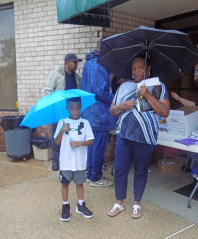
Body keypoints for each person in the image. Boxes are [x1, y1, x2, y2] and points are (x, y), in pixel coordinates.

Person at [108, 55, 170, 219]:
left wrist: (148, 95)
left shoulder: (159, 86)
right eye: (134, 68)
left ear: (148, 69)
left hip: (146, 137)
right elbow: (112, 110)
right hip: (124, 135)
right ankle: (119, 202)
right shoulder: (124, 87)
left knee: (141, 171)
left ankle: (137, 203)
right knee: (120, 169)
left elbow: (164, 112)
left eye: (141, 67)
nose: (136, 71)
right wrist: (121, 106)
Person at [54, 97, 94, 222]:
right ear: (67, 108)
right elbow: (56, 141)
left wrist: (79, 144)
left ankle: (80, 205)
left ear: (80, 107)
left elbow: (91, 140)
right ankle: (66, 206)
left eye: (77, 108)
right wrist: (62, 130)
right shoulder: (62, 122)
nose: (75, 111)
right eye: (72, 108)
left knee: (79, 182)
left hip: (79, 161)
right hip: (66, 161)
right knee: (65, 183)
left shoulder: (85, 123)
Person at [81, 50, 114, 187]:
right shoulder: (100, 65)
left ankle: (90, 174)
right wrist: (115, 98)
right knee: (99, 146)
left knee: (91, 145)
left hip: (88, 110)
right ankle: (96, 177)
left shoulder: (88, 63)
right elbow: (99, 91)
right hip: (99, 113)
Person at [44, 53, 82, 171]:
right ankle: (56, 161)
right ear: (66, 62)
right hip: (58, 110)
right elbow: (47, 91)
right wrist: (56, 101)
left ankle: (68, 160)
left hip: (72, 112)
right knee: (57, 135)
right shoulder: (56, 74)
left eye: (77, 62)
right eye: (74, 62)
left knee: (70, 135)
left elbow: (79, 93)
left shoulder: (77, 77)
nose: (76, 64)